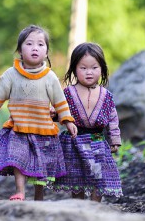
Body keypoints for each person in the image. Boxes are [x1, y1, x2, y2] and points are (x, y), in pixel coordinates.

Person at [0, 25, 77, 201]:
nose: (35, 48)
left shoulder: (50, 77)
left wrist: (67, 120)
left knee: (41, 163)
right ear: (20, 51)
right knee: (17, 159)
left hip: (43, 129)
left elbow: (60, 101)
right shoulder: (11, 75)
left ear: (46, 52)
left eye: (40, 44)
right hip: (19, 128)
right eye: (29, 44)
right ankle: (20, 191)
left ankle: (39, 194)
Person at [50, 42, 123, 202]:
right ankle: (78, 204)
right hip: (74, 142)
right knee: (76, 176)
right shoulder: (68, 93)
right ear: (75, 69)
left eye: (94, 68)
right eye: (83, 68)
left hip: (98, 142)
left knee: (99, 177)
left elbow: (112, 118)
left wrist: (114, 139)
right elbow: (61, 112)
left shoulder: (106, 95)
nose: (89, 72)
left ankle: (95, 205)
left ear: (102, 68)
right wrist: (53, 115)